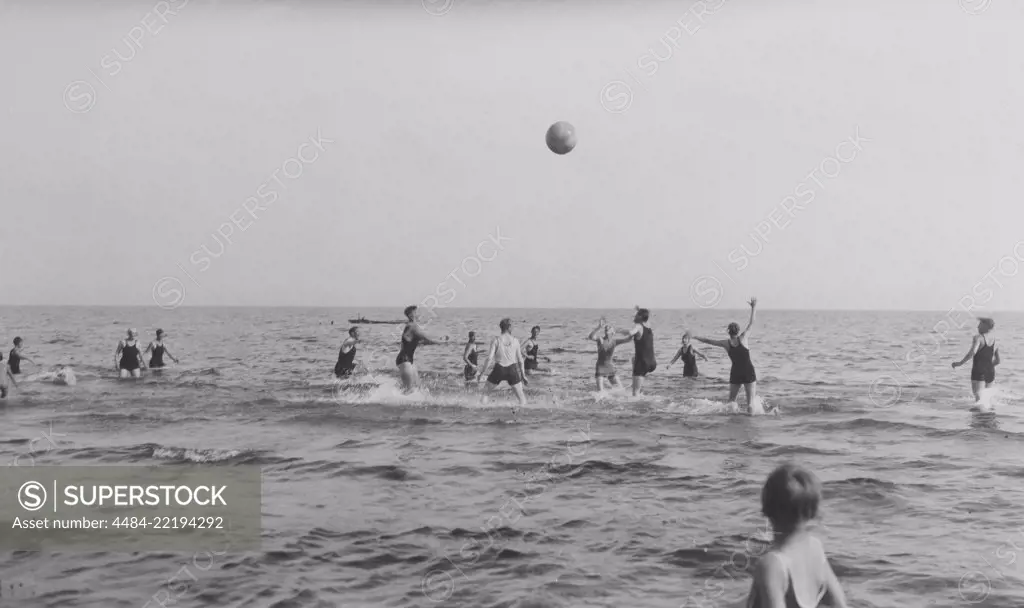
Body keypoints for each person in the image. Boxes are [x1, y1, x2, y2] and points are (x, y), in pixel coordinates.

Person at [745, 463, 848, 608]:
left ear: (766, 508)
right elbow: (840, 604)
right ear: (812, 511)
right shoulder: (815, 549)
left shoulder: (772, 564)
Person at [695, 298, 759, 411]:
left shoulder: (726, 343)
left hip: (736, 372)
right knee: (750, 404)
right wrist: (753, 307)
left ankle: (732, 423)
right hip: (748, 371)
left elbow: (709, 341)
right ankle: (750, 426)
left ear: (728, 332)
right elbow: (751, 323)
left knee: (731, 402)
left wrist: (695, 337)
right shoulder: (743, 338)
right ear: (738, 331)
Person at [395, 305, 449, 391]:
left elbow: (420, 341)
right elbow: (428, 338)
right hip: (404, 360)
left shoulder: (410, 326)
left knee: (418, 387)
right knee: (409, 390)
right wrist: (441, 341)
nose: (419, 314)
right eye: (416, 312)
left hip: (407, 360)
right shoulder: (413, 327)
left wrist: (438, 340)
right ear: (410, 315)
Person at [477, 318, 528, 406]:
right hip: (512, 370)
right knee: (522, 399)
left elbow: (489, 358)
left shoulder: (496, 340)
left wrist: (482, 373)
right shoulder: (515, 340)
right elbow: (520, 360)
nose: (513, 327)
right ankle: (521, 415)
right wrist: (523, 376)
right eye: (512, 325)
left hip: (499, 369)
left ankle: (482, 413)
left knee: (485, 394)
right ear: (508, 327)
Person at [952, 317, 1000, 403]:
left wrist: (960, 363)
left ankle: (979, 416)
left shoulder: (978, 338)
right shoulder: (994, 340)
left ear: (986, 326)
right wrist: (988, 366)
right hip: (990, 371)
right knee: (987, 399)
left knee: (979, 401)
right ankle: (989, 416)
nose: (977, 327)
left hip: (978, 371)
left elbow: (973, 352)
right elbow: (998, 361)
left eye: (980, 324)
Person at [619, 307, 656, 396]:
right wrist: (639, 309)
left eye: (636, 314)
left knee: (635, 393)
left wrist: (618, 330)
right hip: (652, 363)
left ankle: (637, 406)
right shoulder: (648, 326)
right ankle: (636, 384)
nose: (634, 316)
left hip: (643, 363)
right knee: (633, 359)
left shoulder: (639, 326)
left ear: (640, 317)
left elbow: (631, 332)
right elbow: (647, 316)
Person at [588, 317, 628, 392]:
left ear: (613, 332)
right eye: (606, 328)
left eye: (609, 328)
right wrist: (598, 327)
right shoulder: (600, 339)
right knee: (600, 393)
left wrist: (623, 331)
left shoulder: (615, 341)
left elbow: (628, 339)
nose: (607, 328)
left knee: (621, 391)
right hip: (600, 367)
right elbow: (590, 337)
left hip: (610, 368)